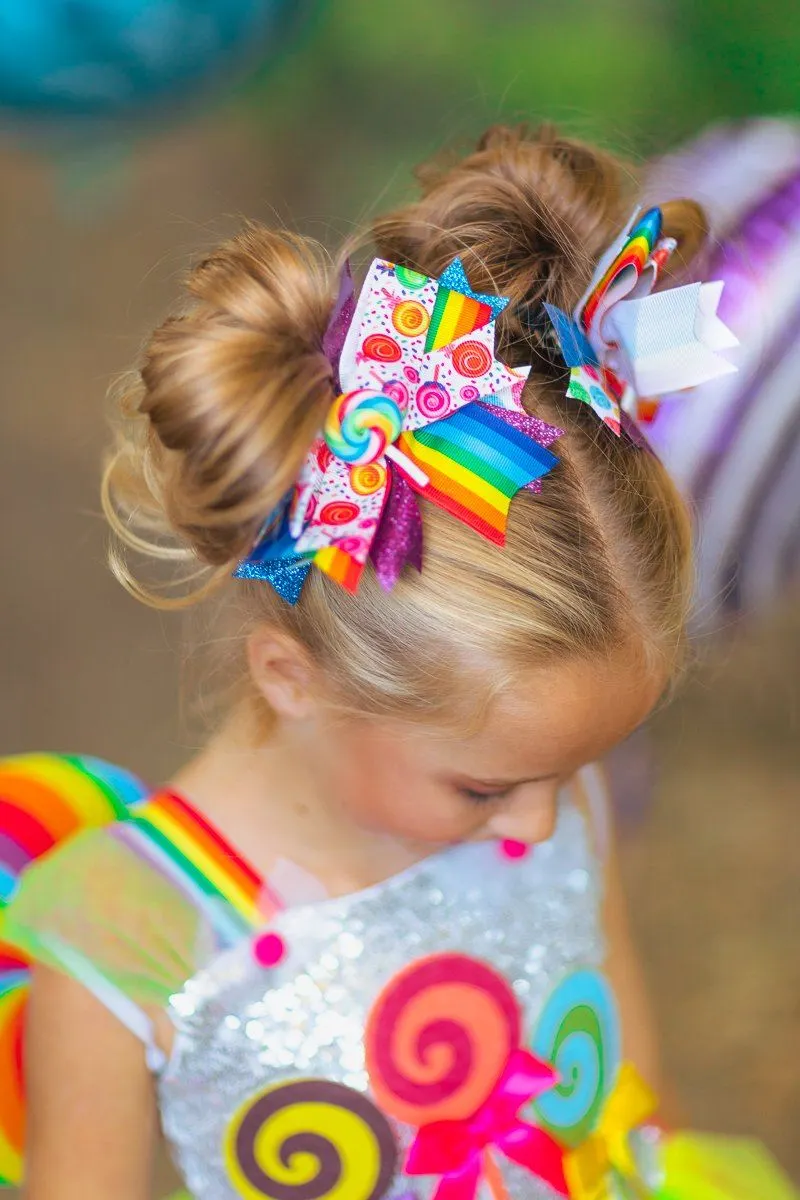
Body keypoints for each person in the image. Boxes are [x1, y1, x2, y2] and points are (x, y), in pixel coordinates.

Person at [0, 125, 793, 1200]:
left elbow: (640, 1120)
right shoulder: (125, 937)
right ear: (292, 677)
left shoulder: (554, 789)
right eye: (484, 787)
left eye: (573, 769)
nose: (543, 824)